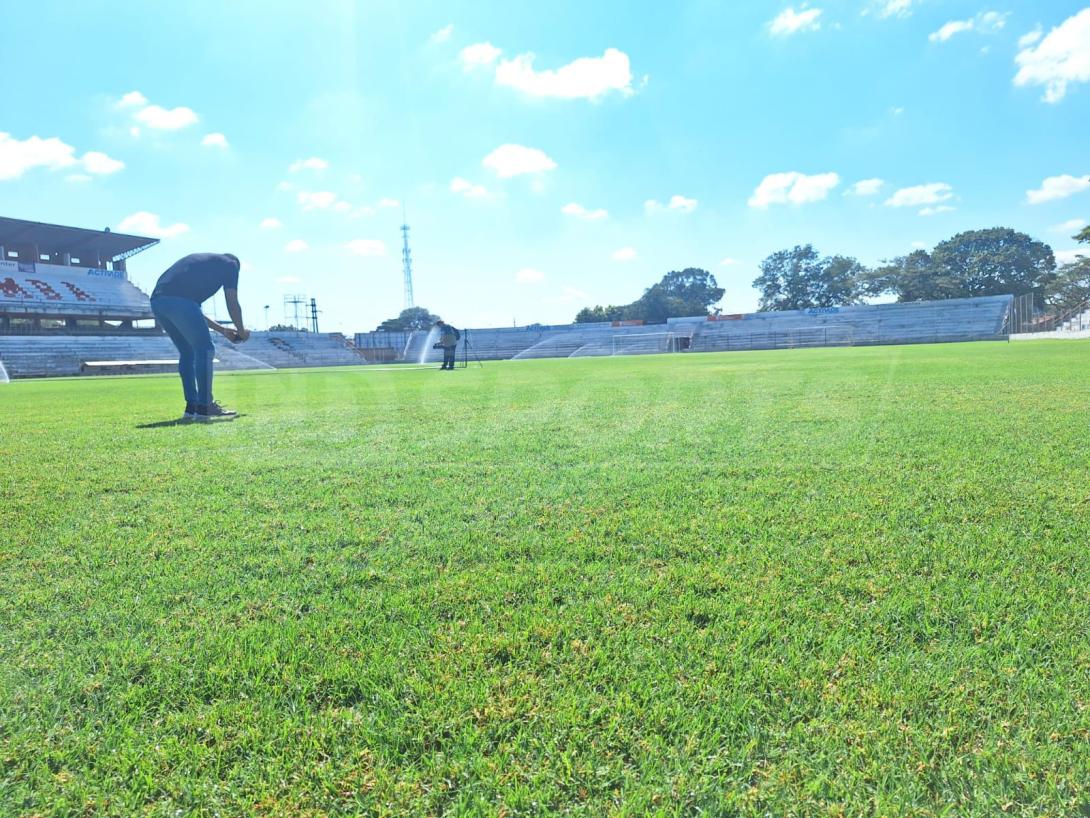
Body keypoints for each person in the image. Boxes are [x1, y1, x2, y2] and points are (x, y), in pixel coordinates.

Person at [150, 252, 251, 421]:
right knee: (205, 349)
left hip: (158, 302)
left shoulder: (204, 264)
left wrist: (223, 330)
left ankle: (192, 407)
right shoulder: (231, 264)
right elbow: (232, 303)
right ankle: (205, 406)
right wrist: (241, 331)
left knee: (188, 352)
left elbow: (192, 311)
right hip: (180, 301)